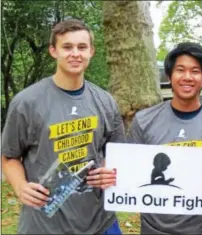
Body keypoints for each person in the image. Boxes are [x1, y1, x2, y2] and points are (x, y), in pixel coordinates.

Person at [1, 19, 125, 234]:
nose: (75, 53)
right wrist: (20, 186)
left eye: (82, 47)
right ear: (53, 51)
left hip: (100, 221)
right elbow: (9, 155)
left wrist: (109, 170)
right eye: (67, 47)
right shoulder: (26, 102)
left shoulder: (105, 101)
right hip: (44, 223)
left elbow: (117, 154)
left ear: (91, 52)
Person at [127, 42, 202, 234]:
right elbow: (128, 175)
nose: (187, 77)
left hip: (200, 230)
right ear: (169, 76)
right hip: (152, 230)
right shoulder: (144, 121)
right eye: (180, 70)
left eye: (195, 71)